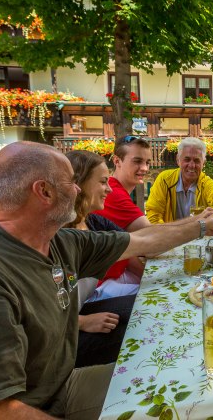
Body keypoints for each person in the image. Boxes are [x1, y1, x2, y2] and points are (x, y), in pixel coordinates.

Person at [0, 141, 213, 419]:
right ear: (44, 191)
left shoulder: (57, 241)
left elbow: (144, 241)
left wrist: (204, 225)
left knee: (186, 385)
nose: (78, 189)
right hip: (32, 406)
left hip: (57, 387)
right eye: (70, 182)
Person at [64, 150, 138, 368]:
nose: (109, 189)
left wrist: (200, 224)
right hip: (61, 336)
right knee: (136, 331)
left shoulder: (94, 222)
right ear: (79, 183)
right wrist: (81, 322)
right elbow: (38, 312)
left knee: (145, 310)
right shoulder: (57, 233)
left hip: (75, 313)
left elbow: (142, 240)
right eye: (103, 182)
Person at [145, 137, 213, 223]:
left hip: (200, 235)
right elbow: (153, 214)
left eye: (197, 161)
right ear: (178, 160)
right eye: (187, 159)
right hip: (169, 234)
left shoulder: (206, 184)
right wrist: (167, 233)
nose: (192, 165)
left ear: (203, 163)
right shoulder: (165, 180)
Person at [93, 135, 152, 232]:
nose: (145, 168)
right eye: (137, 161)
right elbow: (151, 234)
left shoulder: (112, 187)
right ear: (117, 161)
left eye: (147, 163)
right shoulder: (114, 193)